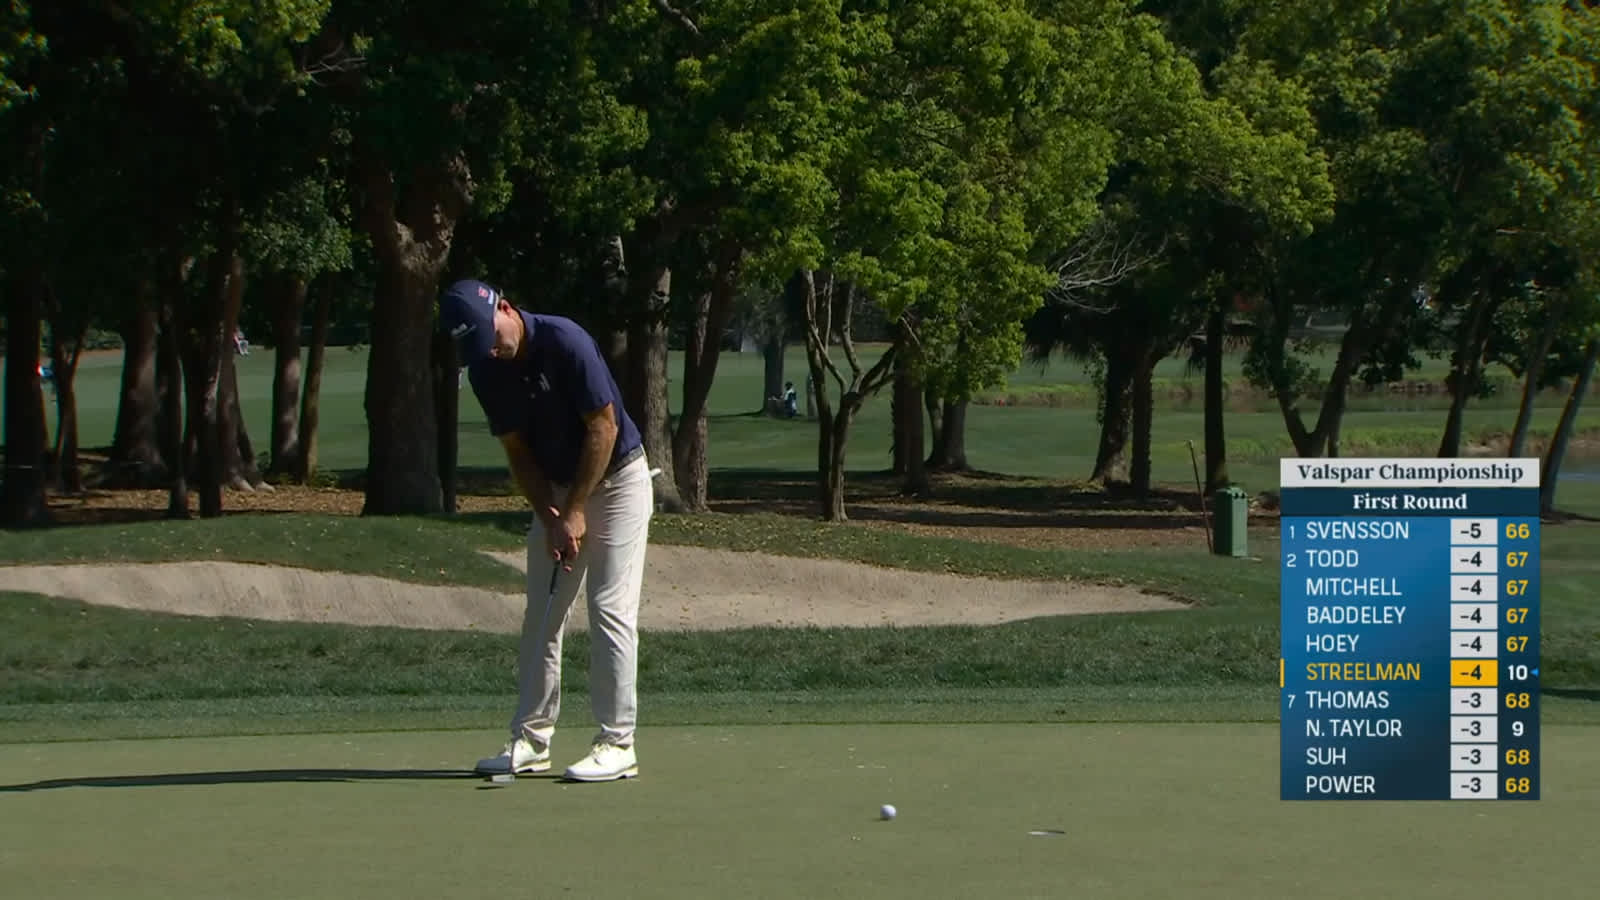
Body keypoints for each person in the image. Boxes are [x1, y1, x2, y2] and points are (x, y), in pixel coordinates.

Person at [439, 278, 655, 783]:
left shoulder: (566, 341)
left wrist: (576, 510)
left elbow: (605, 428)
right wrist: (550, 516)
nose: (489, 351)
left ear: (506, 308)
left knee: (609, 608)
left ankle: (618, 742)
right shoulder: (486, 371)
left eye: (491, 338)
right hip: (557, 491)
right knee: (543, 614)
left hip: (619, 479)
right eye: (477, 348)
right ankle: (532, 739)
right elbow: (518, 452)